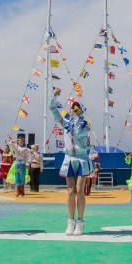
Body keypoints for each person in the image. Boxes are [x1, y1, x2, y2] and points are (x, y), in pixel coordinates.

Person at [49, 88, 93, 237]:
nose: (73, 110)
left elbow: (81, 133)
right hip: (68, 158)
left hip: (81, 158)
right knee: (70, 191)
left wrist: (79, 118)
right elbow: (52, 109)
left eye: (76, 108)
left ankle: (80, 221)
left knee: (80, 190)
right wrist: (54, 96)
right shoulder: (65, 122)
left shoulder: (84, 124)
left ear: (80, 111)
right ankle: (70, 221)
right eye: (72, 108)